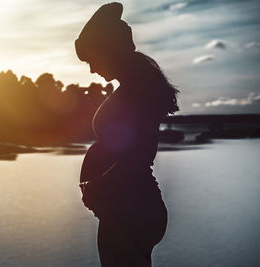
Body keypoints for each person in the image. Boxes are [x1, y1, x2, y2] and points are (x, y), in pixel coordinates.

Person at [75, 2, 179, 266]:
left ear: (107, 50)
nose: (92, 70)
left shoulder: (138, 90)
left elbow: (140, 154)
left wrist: (99, 186)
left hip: (130, 210)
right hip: (129, 207)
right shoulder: (134, 87)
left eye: (91, 59)